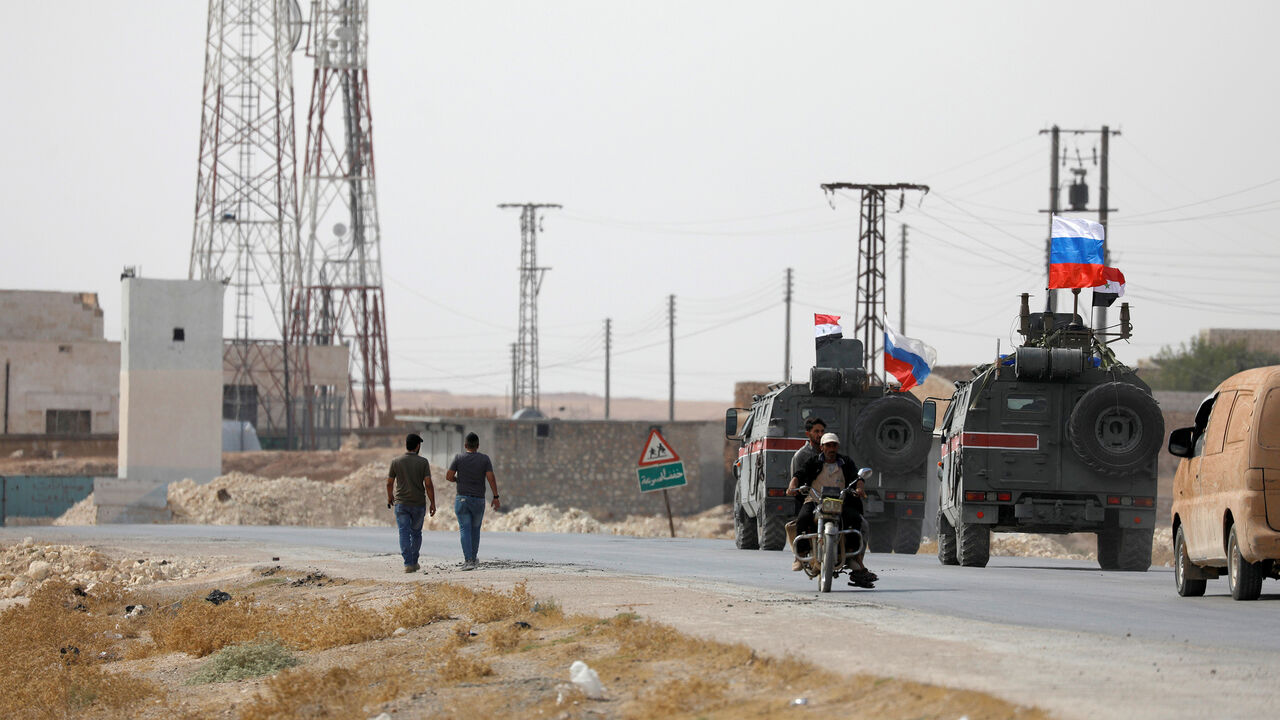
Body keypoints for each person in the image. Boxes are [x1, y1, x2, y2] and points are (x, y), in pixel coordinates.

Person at [787, 432, 878, 588]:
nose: (831, 448)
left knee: (854, 519)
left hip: (840, 501)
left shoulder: (845, 462)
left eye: (834, 445)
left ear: (838, 447)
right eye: (828, 445)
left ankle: (853, 555)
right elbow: (799, 474)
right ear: (822, 447)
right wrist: (793, 485)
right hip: (815, 500)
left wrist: (859, 488)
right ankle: (800, 555)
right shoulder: (813, 462)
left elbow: (857, 478)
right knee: (802, 518)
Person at [446, 432, 500, 570]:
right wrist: (495, 497)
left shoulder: (459, 458)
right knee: (475, 530)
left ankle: (468, 560)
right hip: (478, 500)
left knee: (465, 529)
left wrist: (458, 480)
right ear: (478, 446)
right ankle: (474, 559)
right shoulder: (484, 459)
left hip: (462, 499)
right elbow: (490, 477)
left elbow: (449, 476)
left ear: (465, 445)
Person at [386, 433, 436, 573]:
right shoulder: (423, 462)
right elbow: (428, 484)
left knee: (403, 532)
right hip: (418, 504)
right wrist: (432, 502)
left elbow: (389, 483)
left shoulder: (396, 462)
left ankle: (408, 563)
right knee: (416, 533)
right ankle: (414, 561)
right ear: (418, 446)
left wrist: (390, 496)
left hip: (401, 503)